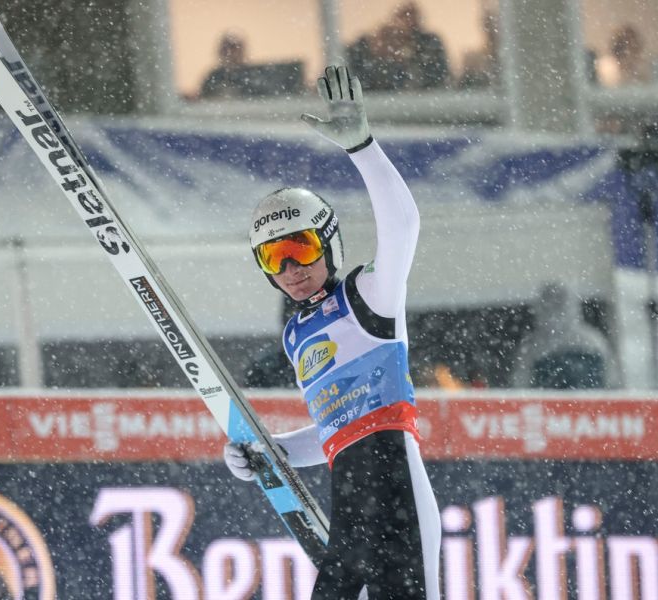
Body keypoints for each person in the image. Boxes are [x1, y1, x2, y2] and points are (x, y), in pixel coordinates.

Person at [223, 66, 441, 599]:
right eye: (275, 257)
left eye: (302, 247)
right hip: (353, 510)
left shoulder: (371, 296)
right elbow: (334, 433)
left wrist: (363, 147)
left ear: (330, 245)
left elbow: (405, 225)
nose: (292, 267)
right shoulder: (296, 337)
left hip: (396, 496)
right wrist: (272, 453)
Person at [510, 282, 621, 389]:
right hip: (580, 405)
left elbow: (521, 386)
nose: (554, 312)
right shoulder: (533, 346)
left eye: (558, 304)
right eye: (549, 306)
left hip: (584, 405)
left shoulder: (593, 341)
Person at [200, 33, 249, 99]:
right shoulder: (214, 75)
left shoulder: (251, 75)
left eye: (233, 48)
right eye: (226, 48)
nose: (230, 52)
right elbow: (203, 97)